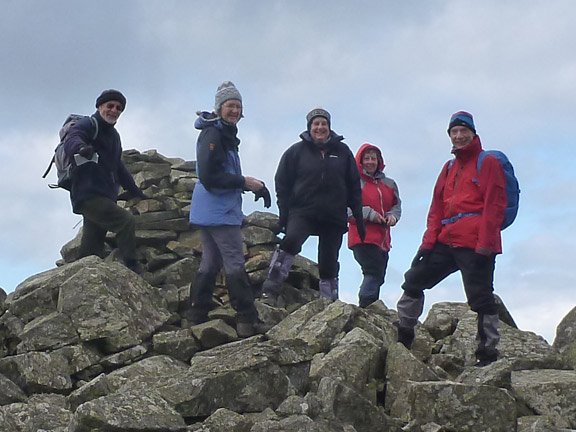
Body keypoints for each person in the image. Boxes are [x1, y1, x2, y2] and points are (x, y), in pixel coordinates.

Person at [395, 111, 507, 367]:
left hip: (476, 242)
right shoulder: (448, 168)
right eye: (453, 132)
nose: (458, 136)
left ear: (473, 134)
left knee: (480, 297)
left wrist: (486, 245)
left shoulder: (487, 162)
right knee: (413, 279)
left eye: (463, 131)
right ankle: (404, 334)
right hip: (447, 240)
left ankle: (488, 354)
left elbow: (495, 205)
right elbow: (436, 208)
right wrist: (427, 243)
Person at [188, 81, 271, 338]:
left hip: (210, 210)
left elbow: (220, 174)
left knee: (210, 262)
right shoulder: (215, 135)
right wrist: (244, 182)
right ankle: (248, 320)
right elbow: (210, 176)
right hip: (219, 211)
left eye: (237, 106)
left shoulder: (222, 134)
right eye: (229, 106)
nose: (234, 110)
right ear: (219, 108)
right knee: (235, 263)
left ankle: (195, 314)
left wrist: (252, 185)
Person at [260, 108, 365, 307]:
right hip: (303, 211)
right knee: (290, 242)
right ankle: (270, 288)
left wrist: (358, 219)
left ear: (329, 127)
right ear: (309, 127)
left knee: (329, 260)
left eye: (323, 124)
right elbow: (282, 182)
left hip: (334, 215)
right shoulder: (295, 151)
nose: (320, 127)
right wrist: (284, 215)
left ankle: (329, 304)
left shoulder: (343, 152)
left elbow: (353, 186)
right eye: (316, 124)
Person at [64, 89, 146, 273]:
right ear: (99, 106)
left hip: (104, 196)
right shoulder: (88, 124)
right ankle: (132, 268)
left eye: (118, 108)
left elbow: (117, 165)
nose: (114, 110)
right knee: (126, 221)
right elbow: (72, 138)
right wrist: (81, 147)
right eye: (110, 105)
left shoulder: (114, 136)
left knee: (91, 251)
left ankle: (80, 278)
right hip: (88, 194)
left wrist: (134, 189)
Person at [348, 143, 401, 308]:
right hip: (362, 237)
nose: (370, 162)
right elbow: (346, 210)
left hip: (383, 240)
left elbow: (396, 206)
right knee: (373, 271)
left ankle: (370, 307)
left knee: (379, 274)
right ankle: (366, 305)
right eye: (367, 158)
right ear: (360, 161)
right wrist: (370, 214)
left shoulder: (389, 184)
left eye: (374, 158)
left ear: (379, 161)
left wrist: (392, 217)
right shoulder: (353, 183)